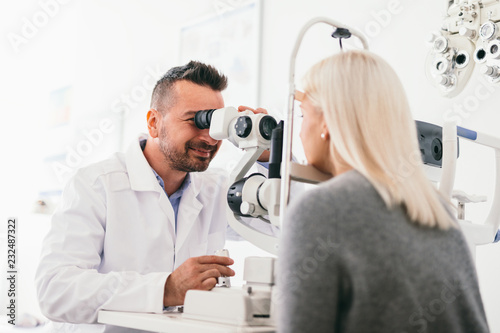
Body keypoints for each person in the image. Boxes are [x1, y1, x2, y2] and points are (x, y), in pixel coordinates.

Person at [35, 61, 268, 332]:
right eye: (196, 120)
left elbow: (286, 227)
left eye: (215, 124)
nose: (209, 137)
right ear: (154, 123)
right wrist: (166, 288)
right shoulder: (96, 185)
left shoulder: (216, 189)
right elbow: (55, 290)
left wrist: (268, 156)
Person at [277, 50, 490, 333]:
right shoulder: (438, 211)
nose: (300, 131)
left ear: (327, 121)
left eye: (303, 115)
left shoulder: (321, 210)